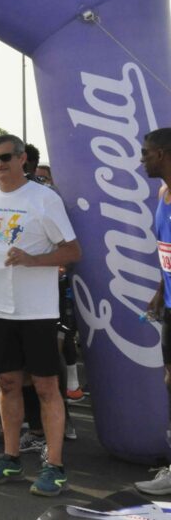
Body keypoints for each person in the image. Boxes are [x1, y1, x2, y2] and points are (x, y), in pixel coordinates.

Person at [0, 134, 81, 497]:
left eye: (6, 157)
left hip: (36, 310)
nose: (0, 164)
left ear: (23, 160)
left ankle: (55, 465)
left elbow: (72, 251)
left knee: (47, 386)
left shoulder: (44, 199)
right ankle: (11, 456)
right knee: (7, 384)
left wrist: (34, 261)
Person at [135, 129, 171, 495]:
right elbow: (167, 251)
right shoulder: (162, 194)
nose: (141, 159)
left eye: (145, 153)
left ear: (160, 154)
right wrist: (161, 292)